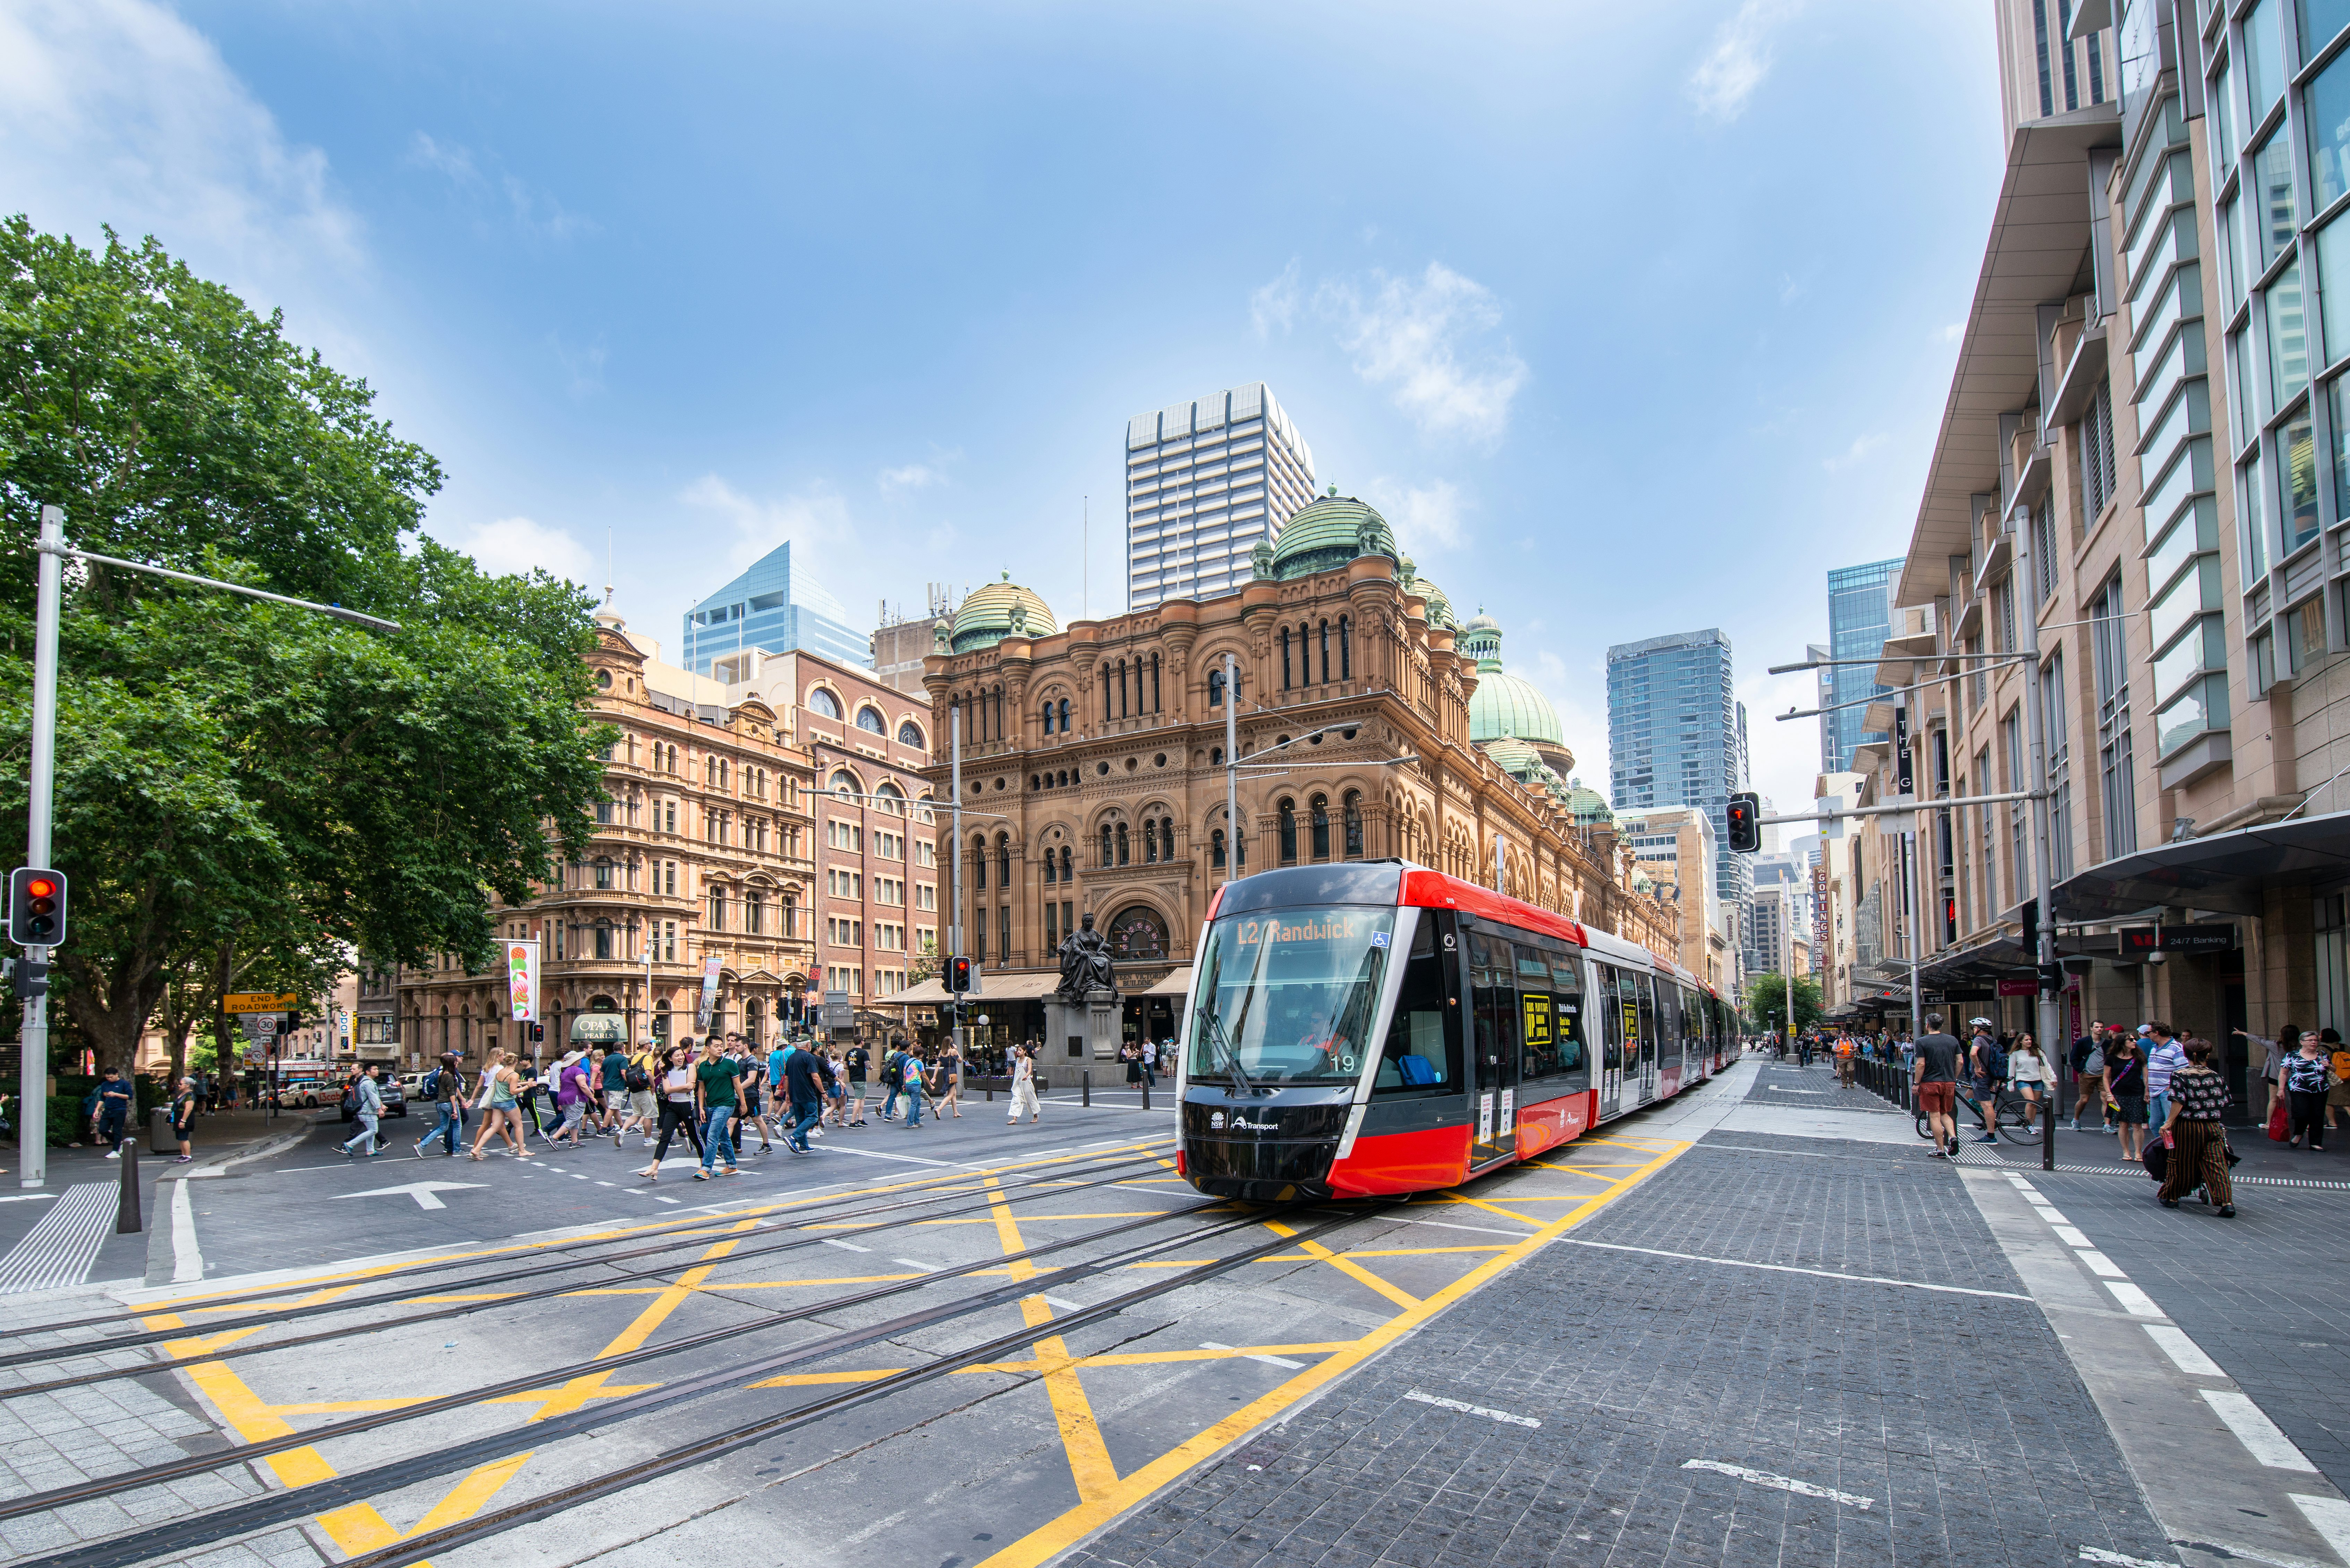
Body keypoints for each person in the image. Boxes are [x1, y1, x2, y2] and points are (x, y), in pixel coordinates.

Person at [2158, 1039, 2236, 1216]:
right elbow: (2224, 1102)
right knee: (2217, 1163)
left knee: (2181, 1162)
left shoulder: (2180, 1075)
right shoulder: (2217, 1076)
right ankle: (2226, 1202)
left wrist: (2169, 1122)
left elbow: (2178, 1101)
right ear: (2207, 1055)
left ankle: (2172, 1197)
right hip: (2213, 1126)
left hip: (2187, 1126)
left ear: (2186, 1055)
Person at [636, 1043, 705, 1179]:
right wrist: (683, 1086)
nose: (680, 1058)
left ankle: (704, 1166)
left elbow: (690, 1087)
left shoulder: (690, 1067)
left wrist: (681, 1087)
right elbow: (667, 1090)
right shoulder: (667, 1071)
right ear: (670, 1058)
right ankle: (654, 1168)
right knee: (665, 1137)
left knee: (695, 1136)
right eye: (677, 1056)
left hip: (688, 1104)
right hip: (673, 1105)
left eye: (682, 1055)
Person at [1911, 1013, 1963, 1158]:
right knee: (1945, 1113)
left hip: (1930, 1083)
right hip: (1949, 1082)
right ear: (1941, 1025)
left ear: (1927, 1025)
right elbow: (1960, 1061)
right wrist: (1954, 1078)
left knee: (1934, 1115)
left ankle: (1940, 1149)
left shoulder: (1922, 1042)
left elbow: (1921, 1064)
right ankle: (1953, 1137)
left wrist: (1917, 1083)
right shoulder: (1952, 1040)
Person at [693, 1038, 742, 1179]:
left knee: (712, 1135)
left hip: (726, 1105)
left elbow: (738, 1085)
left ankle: (706, 1168)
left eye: (722, 1046)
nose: (721, 1048)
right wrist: (702, 1107)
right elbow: (701, 1088)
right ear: (708, 1049)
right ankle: (732, 1166)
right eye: (717, 1046)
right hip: (711, 1106)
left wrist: (743, 1104)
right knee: (724, 1136)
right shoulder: (703, 1066)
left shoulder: (730, 1064)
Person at [470, 1050, 529, 1160]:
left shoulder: (500, 1072)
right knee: (519, 1125)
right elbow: (513, 1091)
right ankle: (522, 1151)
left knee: (494, 1127)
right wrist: (527, 1087)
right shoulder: (514, 1074)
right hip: (508, 1102)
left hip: (496, 1102)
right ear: (516, 1061)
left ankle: (476, 1149)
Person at [2235, 1024, 2300, 1124]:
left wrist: (2244, 1033)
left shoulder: (2276, 1046)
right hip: (2296, 1077)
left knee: (2273, 1100)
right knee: (2300, 1101)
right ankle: (2307, 1124)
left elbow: (2259, 1040)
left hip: (2276, 1076)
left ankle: (2269, 1124)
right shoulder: (2300, 1048)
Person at [2283, 1033, 2337, 1150]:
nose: (2314, 1042)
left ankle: (2315, 1143)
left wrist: (2329, 1066)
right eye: (2310, 1040)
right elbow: (2283, 1073)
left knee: (2317, 1116)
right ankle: (2299, 1133)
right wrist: (2280, 1090)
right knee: (2302, 1113)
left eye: (2316, 1040)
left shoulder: (2322, 1055)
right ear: (2302, 1042)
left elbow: (2333, 1069)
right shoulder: (2292, 1056)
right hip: (2298, 1089)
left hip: (2320, 1089)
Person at [2103, 1032, 2149, 1162]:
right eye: (2131, 1040)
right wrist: (2109, 1094)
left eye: (2135, 1039)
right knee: (2123, 1124)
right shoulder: (2111, 1057)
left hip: (2137, 1093)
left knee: (2137, 1124)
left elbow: (2146, 1076)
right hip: (2118, 1094)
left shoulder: (2140, 1056)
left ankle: (2139, 1152)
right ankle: (2126, 1151)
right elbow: (2106, 1077)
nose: (2135, 1042)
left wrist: (2147, 1091)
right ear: (2122, 1043)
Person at [413, 1051, 468, 1157]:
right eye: (455, 1062)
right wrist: (455, 1109)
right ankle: (456, 1150)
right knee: (457, 1126)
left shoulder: (442, 1073)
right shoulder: (449, 1076)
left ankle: (422, 1145)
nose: (457, 1064)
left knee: (443, 1127)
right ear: (452, 1064)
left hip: (440, 1104)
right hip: (448, 1103)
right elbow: (452, 1093)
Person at [781, 1038, 825, 1153]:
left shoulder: (791, 1058)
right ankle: (793, 1137)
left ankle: (804, 1145)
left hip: (795, 1093)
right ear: (808, 1044)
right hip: (807, 1092)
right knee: (813, 1117)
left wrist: (788, 1094)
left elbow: (787, 1078)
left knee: (800, 1119)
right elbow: (815, 1077)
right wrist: (823, 1092)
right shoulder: (809, 1057)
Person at [2144, 1023, 2187, 1134]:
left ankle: (2173, 1150)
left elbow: (2184, 1071)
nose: (2147, 1035)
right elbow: (2151, 1070)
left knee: (2170, 1124)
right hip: (2154, 1092)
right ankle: (2162, 1148)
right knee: (2154, 1124)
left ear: (2156, 1033)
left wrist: (2170, 1087)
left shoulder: (2176, 1048)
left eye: (2149, 1033)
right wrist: (2147, 1090)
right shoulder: (2154, 1048)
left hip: (2167, 1093)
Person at [1966, 1019, 2004, 1143]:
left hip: (1981, 1077)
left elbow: (1973, 1054)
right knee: (1969, 1095)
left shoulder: (1979, 1039)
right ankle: (1988, 1119)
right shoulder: (1992, 1040)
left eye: (1974, 1028)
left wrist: (1977, 1067)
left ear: (1977, 1029)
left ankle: (1991, 1136)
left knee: (1986, 1105)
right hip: (1990, 1076)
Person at [339, 1064, 386, 1158]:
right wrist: (379, 1109)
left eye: (378, 1069)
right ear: (367, 1072)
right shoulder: (368, 1083)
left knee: (371, 1130)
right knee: (373, 1130)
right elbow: (373, 1097)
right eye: (375, 1069)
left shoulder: (363, 1081)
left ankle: (370, 1151)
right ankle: (350, 1144)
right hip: (368, 1110)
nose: (377, 1071)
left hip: (363, 1110)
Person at [2070, 1027, 2106, 1134]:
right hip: (2087, 1074)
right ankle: (2076, 1120)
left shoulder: (2106, 1043)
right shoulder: (2083, 1042)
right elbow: (2073, 1057)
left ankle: (2107, 1124)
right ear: (2091, 1028)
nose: (2100, 1029)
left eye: (2101, 1027)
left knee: (2106, 1099)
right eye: (2097, 1027)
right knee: (2084, 1100)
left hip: (2103, 1075)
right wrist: (2080, 1069)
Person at [92, 1068, 134, 1158]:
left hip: (119, 1110)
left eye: (111, 1077)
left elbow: (129, 1096)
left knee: (117, 1131)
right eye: (107, 1077)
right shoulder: (105, 1085)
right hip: (108, 1110)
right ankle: (119, 1143)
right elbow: (102, 1098)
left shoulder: (124, 1084)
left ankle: (116, 1150)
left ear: (117, 1075)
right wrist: (97, 1110)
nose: (109, 1079)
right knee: (102, 1129)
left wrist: (116, 1094)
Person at [2009, 1033, 2047, 1131]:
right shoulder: (2015, 1054)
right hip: (2023, 1080)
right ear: (2021, 1041)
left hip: (2038, 1080)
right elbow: (2011, 1070)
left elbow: (2047, 1066)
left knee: (2034, 1103)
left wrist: (2054, 1079)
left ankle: (2031, 1124)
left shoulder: (2038, 1052)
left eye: (2030, 1040)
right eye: (2026, 1040)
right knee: (2030, 1101)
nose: (2029, 1042)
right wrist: (2010, 1085)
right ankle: (2028, 1124)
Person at [1007, 1042, 1042, 1125]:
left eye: (1020, 1050)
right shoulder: (1017, 1060)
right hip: (1018, 1084)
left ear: (1025, 1051)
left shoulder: (1028, 1059)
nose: (1018, 1052)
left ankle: (1036, 1116)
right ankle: (1014, 1119)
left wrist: (1026, 1076)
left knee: (1031, 1099)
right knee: (1016, 1099)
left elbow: (1030, 1070)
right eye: (1017, 1050)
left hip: (1026, 1083)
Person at [169, 1076, 198, 1164]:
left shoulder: (190, 1095)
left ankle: (188, 1156)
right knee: (181, 1138)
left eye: (181, 1084)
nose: (179, 1086)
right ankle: (184, 1155)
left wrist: (183, 1120)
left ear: (188, 1085)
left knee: (184, 1138)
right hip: (179, 1117)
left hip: (185, 1119)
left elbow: (189, 1109)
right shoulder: (183, 1094)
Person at [845, 1040, 871, 1125]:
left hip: (852, 1078)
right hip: (861, 1079)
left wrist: (853, 1067)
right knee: (858, 1099)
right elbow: (867, 1065)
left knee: (862, 1097)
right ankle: (853, 1121)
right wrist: (871, 1067)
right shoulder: (864, 1053)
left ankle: (860, 1118)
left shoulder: (849, 1052)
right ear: (862, 1042)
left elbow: (845, 1066)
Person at [938, 1040, 964, 1118]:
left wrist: (935, 1077)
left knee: (954, 1093)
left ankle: (956, 1112)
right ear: (950, 1043)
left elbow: (938, 1066)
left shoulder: (941, 1052)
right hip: (952, 1073)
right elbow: (960, 1061)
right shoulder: (953, 1051)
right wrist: (957, 1050)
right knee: (951, 1094)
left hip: (946, 1072)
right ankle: (939, 1109)